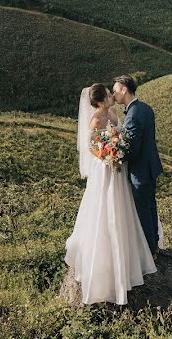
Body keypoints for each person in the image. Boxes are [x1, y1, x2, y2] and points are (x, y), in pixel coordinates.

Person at [64, 83, 157, 306]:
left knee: (124, 208)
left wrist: (117, 152)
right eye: (107, 95)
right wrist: (108, 156)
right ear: (99, 101)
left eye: (111, 92)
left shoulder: (113, 114)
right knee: (105, 209)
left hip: (118, 167)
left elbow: (122, 136)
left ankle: (129, 251)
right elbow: (92, 147)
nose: (111, 96)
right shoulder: (96, 120)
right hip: (105, 169)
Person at [112, 74, 164, 257]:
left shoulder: (132, 115)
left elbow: (132, 149)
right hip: (151, 166)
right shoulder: (146, 108)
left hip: (140, 171)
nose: (113, 94)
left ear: (124, 90)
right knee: (150, 206)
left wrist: (114, 157)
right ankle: (155, 244)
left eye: (115, 90)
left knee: (142, 209)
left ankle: (150, 251)